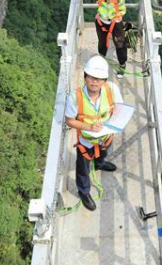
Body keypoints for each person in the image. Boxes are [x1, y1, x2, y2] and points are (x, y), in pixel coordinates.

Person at [64, 55, 124, 211]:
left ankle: (100, 163)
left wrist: (117, 117)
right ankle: (84, 192)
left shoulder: (111, 89)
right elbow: (69, 120)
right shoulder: (75, 98)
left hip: (105, 137)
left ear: (104, 80)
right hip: (86, 141)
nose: (95, 81)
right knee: (83, 169)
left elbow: (120, 108)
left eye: (99, 78)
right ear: (85, 77)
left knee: (103, 152)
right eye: (91, 77)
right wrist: (89, 127)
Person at [83, 0, 132, 78]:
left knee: (119, 43)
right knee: (102, 41)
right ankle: (102, 59)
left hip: (115, 20)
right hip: (101, 19)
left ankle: (122, 65)